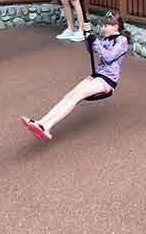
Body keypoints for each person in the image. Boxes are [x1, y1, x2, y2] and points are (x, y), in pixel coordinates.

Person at [21, 10, 130, 140]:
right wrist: (87, 35)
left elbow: (108, 57)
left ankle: (47, 126)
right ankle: (42, 123)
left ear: (116, 26)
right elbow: (91, 50)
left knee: (76, 97)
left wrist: (94, 38)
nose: (102, 28)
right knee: (69, 96)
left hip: (107, 80)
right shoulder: (106, 39)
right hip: (97, 75)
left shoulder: (122, 40)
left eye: (106, 26)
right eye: (102, 25)